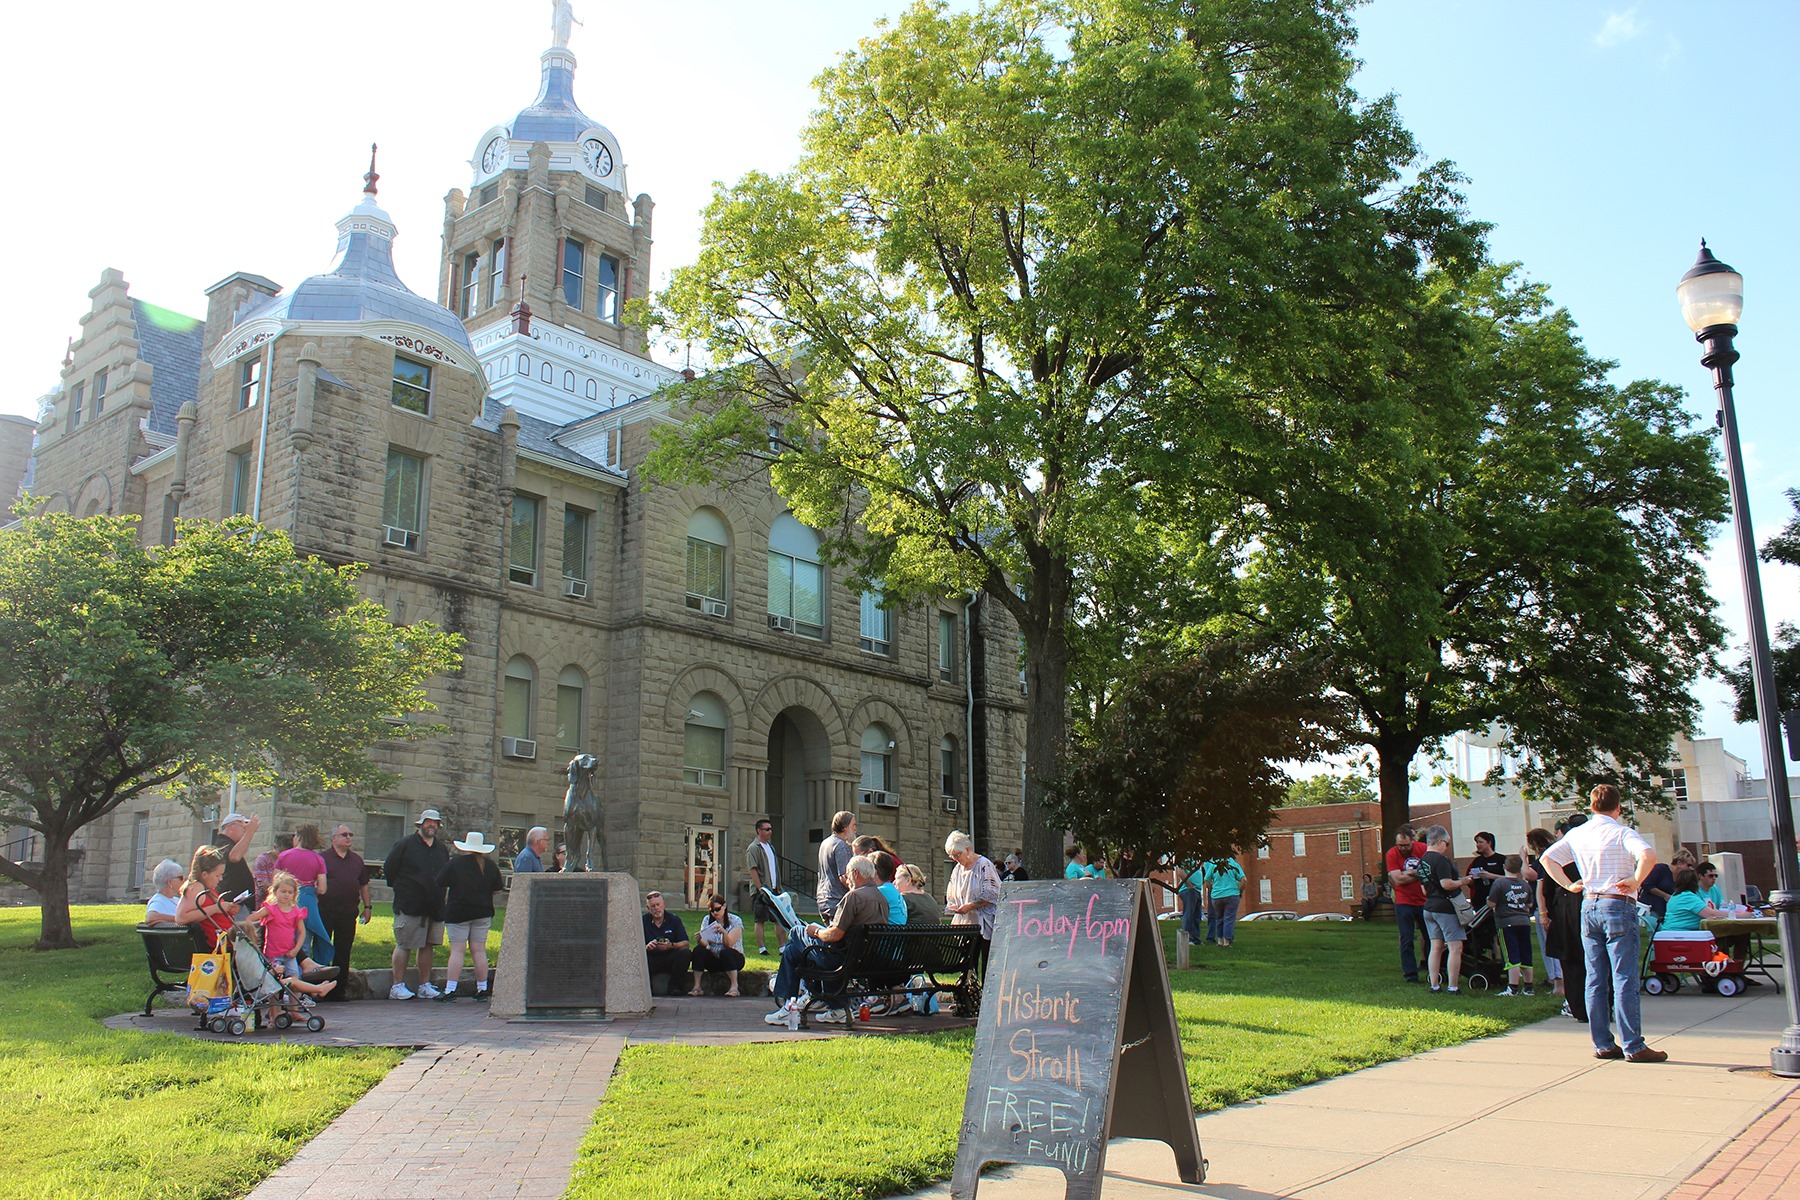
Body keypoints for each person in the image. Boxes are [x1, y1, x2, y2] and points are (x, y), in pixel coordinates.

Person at [1540, 784, 1667, 1064]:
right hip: (1617, 903)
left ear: (1591, 806)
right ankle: (1633, 1044)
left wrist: (1568, 884)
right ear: (1618, 808)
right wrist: (1635, 880)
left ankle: (1602, 1043)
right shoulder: (1621, 832)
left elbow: (1547, 858)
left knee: (1595, 976)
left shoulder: (1578, 833)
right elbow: (1648, 856)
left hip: (1589, 903)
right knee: (1623, 977)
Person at [765, 855, 888, 1027]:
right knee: (793, 951)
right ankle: (836, 1008)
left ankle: (788, 1005)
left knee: (795, 933)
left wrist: (815, 931)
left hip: (839, 958)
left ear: (855, 873)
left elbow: (835, 934)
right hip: (864, 959)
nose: (846, 880)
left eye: (847, 875)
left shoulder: (854, 897)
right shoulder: (881, 898)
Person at [384, 808, 449, 1000]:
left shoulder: (441, 849)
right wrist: (405, 889)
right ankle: (397, 986)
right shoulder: (405, 844)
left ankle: (424, 985)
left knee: (428, 945)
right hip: (410, 904)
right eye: (428, 822)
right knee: (404, 944)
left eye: (435, 822)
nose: (431, 825)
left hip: (434, 905)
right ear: (420, 824)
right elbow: (389, 869)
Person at [248, 871, 338, 1000]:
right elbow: (251, 918)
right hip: (273, 953)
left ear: (294, 894)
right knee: (274, 981)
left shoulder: (296, 912)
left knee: (295, 978)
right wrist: (250, 927)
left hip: (289, 953)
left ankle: (294, 1010)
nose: (286, 895)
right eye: (283, 891)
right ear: (275, 892)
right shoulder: (270, 909)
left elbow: (302, 933)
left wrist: (296, 950)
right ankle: (312, 992)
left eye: (290, 892)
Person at [435, 831, 502, 1001]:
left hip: (458, 912)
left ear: (466, 847)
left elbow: (440, 881)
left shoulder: (456, 864)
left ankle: (451, 989)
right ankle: (482, 988)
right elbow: (498, 888)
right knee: (479, 950)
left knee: (457, 951)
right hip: (483, 912)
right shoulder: (491, 866)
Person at [319, 824, 371, 1002]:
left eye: (350, 834)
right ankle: (320, 988)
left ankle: (338, 990)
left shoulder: (356, 860)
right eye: (344, 834)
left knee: (343, 950)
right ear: (333, 838)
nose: (348, 837)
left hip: (348, 912)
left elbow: (363, 884)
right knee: (323, 949)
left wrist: (367, 907)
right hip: (325, 911)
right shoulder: (323, 858)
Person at [1416, 825, 1467, 994]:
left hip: (1429, 907)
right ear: (1439, 841)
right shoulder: (1441, 860)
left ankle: (1434, 985)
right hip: (1445, 907)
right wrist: (1463, 881)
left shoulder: (1421, 862)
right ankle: (1453, 986)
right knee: (1455, 947)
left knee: (1435, 946)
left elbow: (1424, 890)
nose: (1447, 847)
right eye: (1446, 843)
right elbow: (1446, 884)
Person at [275, 823, 334, 966]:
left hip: (286, 901)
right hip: (308, 902)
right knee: (304, 940)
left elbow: (275, 882)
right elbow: (322, 889)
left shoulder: (284, 856)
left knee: (285, 936)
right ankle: (303, 974)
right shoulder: (318, 859)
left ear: (299, 837)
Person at [945, 831, 1001, 975]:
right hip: (966, 923)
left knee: (986, 963)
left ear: (967, 850)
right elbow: (952, 892)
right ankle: (970, 990)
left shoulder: (984, 865)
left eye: (958, 854)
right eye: (952, 856)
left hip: (984, 922)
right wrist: (953, 906)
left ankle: (983, 991)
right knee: (968, 963)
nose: (956, 859)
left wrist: (971, 906)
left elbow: (992, 893)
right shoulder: (957, 869)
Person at [176, 845, 243, 951]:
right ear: (204, 874)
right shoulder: (197, 888)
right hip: (218, 950)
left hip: (226, 945)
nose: (220, 879)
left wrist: (227, 909)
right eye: (217, 875)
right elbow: (181, 918)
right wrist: (216, 908)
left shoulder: (208, 889)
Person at [1385, 824, 1429, 983]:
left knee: (1431, 937)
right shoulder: (1391, 854)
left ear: (1413, 841)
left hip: (1424, 900)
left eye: (1406, 845)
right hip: (1404, 901)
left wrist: (1410, 873)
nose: (1403, 849)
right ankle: (1410, 975)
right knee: (1406, 938)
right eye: (1400, 846)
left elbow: (1429, 872)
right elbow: (1397, 879)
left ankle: (1436, 971)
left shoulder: (1423, 849)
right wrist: (1419, 873)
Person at [1487, 855, 1535, 996]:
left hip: (1506, 923)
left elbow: (1492, 903)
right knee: (1526, 954)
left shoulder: (1499, 883)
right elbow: (1530, 904)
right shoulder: (1525, 883)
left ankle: (1513, 988)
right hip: (1524, 922)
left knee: (1511, 955)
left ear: (1504, 867)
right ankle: (1528, 987)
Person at [1525, 827, 1564, 998]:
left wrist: (1522, 858)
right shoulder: (1558, 854)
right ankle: (1559, 980)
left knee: (1550, 946)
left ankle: (1557, 982)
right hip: (1559, 906)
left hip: (1547, 908)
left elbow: (1532, 877)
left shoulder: (1545, 859)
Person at [689, 893, 745, 996]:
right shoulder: (707, 920)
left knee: (725, 952)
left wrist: (724, 932)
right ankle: (697, 987)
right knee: (698, 950)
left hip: (733, 958)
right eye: (712, 910)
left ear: (724, 906)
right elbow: (705, 944)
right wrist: (700, 939)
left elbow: (729, 943)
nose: (715, 913)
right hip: (714, 958)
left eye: (717, 909)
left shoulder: (735, 921)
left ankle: (734, 987)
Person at [745, 817, 785, 953]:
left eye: (770, 829)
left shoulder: (771, 847)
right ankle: (762, 948)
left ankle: (783, 947)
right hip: (761, 891)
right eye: (766, 829)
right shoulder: (753, 848)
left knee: (779, 919)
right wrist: (760, 888)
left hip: (775, 889)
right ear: (759, 831)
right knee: (760, 919)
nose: (770, 832)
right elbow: (753, 869)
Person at [643, 890, 691, 995]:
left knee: (685, 953)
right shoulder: (643, 921)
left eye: (658, 905)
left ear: (663, 904)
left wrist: (671, 945)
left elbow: (686, 943)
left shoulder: (674, 919)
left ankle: (675, 988)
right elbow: (634, 946)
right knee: (640, 957)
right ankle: (646, 989)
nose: (656, 908)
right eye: (653, 906)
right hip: (651, 958)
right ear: (648, 908)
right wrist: (646, 947)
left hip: (670, 957)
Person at [210, 812, 259, 913]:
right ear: (231, 826)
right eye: (243, 827)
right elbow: (234, 857)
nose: (245, 830)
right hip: (232, 905)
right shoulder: (222, 843)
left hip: (239, 904)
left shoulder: (229, 844)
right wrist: (250, 832)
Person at [817, 810, 857, 919]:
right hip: (836, 900)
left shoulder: (826, 842)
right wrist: (857, 892)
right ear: (844, 827)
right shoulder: (841, 846)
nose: (855, 829)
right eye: (853, 825)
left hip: (824, 898)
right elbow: (844, 877)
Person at [1661, 867, 1726, 931]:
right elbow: (1711, 915)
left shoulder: (1676, 895)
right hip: (1679, 934)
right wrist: (1733, 914)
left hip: (1671, 933)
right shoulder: (1687, 897)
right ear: (1695, 882)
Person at [1201, 855, 1245, 948]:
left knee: (1219, 918)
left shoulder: (1214, 865)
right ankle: (1226, 941)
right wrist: (1240, 891)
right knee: (1228, 918)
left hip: (1217, 896)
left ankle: (1220, 940)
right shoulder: (1234, 864)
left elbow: (1206, 880)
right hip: (1232, 894)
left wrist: (1212, 889)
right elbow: (1244, 880)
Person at [871, 851, 908, 924]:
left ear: (874, 872)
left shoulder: (880, 891)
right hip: (896, 933)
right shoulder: (893, 889)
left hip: (885, 934)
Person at [144, 859, 185, 925]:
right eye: (181, 877)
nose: (183, 880)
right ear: (170, 882)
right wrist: (179, 919)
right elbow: (151, 917)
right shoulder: (158, 901)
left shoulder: (176, 900)